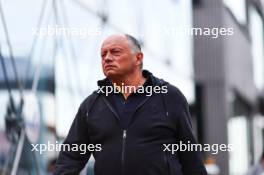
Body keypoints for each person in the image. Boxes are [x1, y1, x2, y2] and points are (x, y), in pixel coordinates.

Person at [55, 34, 208, 175]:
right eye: (103, 54)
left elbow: (190, 156)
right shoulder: (91, 105)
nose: (107, 58)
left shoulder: (169, 97)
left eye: (115, 52)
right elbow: (70, 157)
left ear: (138, 58)